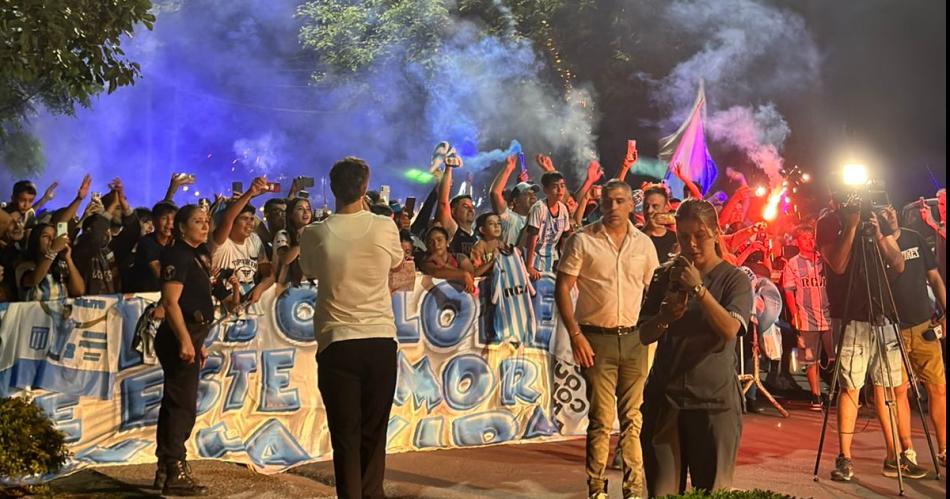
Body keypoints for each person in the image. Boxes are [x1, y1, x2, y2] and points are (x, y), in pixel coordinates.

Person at [299, 157, 404, 499]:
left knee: (345, 436)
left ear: (332, 189)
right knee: (374, 432)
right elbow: (397, 261)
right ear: (364, 187)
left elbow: (310, 270)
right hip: (379, 340)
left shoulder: (314, 233)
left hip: (338, 343)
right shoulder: (384, 226)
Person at [638, 199, 753, 496]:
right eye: (683, 236)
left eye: (699, 235)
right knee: (661, 491)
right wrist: (665, 315)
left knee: (713, 492)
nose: (691, 244)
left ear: (715, 232)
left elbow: (730, 330)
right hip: (665, 401)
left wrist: (699, 290)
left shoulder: (734, 279)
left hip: (713, 404)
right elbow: (644, 334)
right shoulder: (664, 275)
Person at [555, 180, 659, 499]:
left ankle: (633, 489)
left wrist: (652, 331)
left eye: (619, 201)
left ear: (631, 205)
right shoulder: (582, 240)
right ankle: (597, 488)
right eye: (607, 201)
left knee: (633, 418)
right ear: (600, 204)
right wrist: (575, 335)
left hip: (633, 341)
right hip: (595, 340)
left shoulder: (643, 245)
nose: (612, 207)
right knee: (600, 419)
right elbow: (562, 287)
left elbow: (653, 291)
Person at [816, 197, 928, 481]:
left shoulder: (874, 216)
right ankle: (845, 458)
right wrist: (851, 227)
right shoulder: (829, 222)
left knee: (889, 387)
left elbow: (898, 263)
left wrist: (880, 233)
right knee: (851, 388)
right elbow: (838, 264)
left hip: (884, 314)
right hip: (852, 315)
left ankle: (896, 456)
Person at [879, 205, 947, 468]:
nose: (890, 214)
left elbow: (934, 278)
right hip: (892, 328)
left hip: (923, 325)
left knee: (938, 388)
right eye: (883, 212)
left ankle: (943, 448)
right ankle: (907, 451)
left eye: (891, 209)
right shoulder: (874, 244)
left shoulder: (914, 238)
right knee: (899, 391)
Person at [153, 204, 213, 496]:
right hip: (180, 335)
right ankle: (174, 469)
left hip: (192, 334)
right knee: (182, 406)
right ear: (180, 228)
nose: (204, 226)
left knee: (176, 403)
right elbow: (170, 302)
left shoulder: (194, 255)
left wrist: (196, 342)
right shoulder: (177, 254)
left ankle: (166, 467)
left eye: (206, 221)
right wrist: (185, 340)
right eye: (197, 221)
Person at [782, 224, 833, 410]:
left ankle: (836, 393)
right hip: (807, 317)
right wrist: (795, 315)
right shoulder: (792, 264)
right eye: (804, 238)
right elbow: (789, 292)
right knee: (811, 360)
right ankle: (816, 396)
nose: (809, 241)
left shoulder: (824, 259)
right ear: (797, 241)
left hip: (828, 316)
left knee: (834, 356)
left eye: (811, 237)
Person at [210, 177, 274, 304]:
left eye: (252, 219)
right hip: (223, 303)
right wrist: (250, 192)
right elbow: (227, 218)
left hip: (247, 302)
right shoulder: (220, 242)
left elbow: (269, 274)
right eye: (244, 218)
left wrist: (260, 289)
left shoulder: (254, 240)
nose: (250, 223)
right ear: (233, 222)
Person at [16, 222, 85, 301]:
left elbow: (79, 291)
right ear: (35, 240)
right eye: (46, 236)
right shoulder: (24, 266)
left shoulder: (60, 267)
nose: (52, 240)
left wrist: (68, 259)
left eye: (54, 237)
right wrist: (53, 251)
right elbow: (34, 280)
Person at [525, 171, 572, 280]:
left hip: (551, 257)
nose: (560, 190)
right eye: (555, 187)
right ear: (546, 190)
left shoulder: (563, 209)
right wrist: (529, 266)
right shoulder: (539, 208)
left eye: (562, 186)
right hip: (535, 258)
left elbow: (564, 239)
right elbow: (532, 239)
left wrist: (564, 262)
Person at [489, 154, 539, 247]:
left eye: (533, 193)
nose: (533, 196)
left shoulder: (537, 221)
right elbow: (495, 193)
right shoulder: (509, 218)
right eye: (527, 193)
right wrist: (508, 168)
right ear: (515, 201)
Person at [129, 202, 178, 293]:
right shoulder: (147, 242)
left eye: (173, 219)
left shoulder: (176, 242)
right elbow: (158, 273)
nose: (169, 223)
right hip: (144, 295)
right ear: (154, 221)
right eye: (164, 218)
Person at [418, 226, 476, 293]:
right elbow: (436, 272)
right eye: (431, 242)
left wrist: (445, 265)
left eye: (439, 240)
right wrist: (463, 274)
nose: (436, 245)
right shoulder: (426, 260)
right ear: (427, 246)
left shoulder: (459, 257)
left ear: (447, 242)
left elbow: (470, 277)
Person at [274, 196, 312, 291]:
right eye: (300, 209)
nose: (306, 212)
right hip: (287, 288)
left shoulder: (314, 234)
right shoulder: (283, 235)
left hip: (310, 286)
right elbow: (286, 259)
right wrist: (301, 242)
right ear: (290, 215)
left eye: (308, 209)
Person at [641, 184, 678, 264]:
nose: (649, 211)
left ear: (665, 209)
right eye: (646, 206)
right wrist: (648, 229)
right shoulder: (634, 234)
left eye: (655, 206)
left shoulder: (674, 238)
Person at [470, 212, 504, 278]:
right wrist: (492, 261)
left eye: (498, 223)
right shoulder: (478, 248)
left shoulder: (502, 245)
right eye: (491, 224)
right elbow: (474, 273)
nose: (496, 226)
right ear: (482, 230)